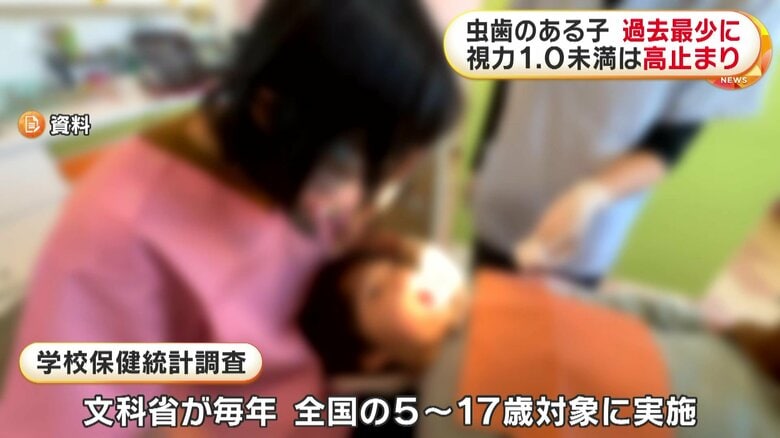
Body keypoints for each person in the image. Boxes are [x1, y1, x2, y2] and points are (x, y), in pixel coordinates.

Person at [0, 0, 458, 436]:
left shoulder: (289, 160)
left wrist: (386, 279)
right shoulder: (120, 235)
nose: (357, 200)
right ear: (271, 112)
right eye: (354, 165)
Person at [300, 235, 780, 437]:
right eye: (376, 292)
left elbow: (609, 306)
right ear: (372, 357)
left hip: (725, 360)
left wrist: (695, 321)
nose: (406, 281)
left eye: (404, 268)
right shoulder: (441, 418)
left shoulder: (497, 290)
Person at [472, 0, 780, 287]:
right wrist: (480, 157)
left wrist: (590, 196)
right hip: (508, 179)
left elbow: (669, 143)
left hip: (590, 221)